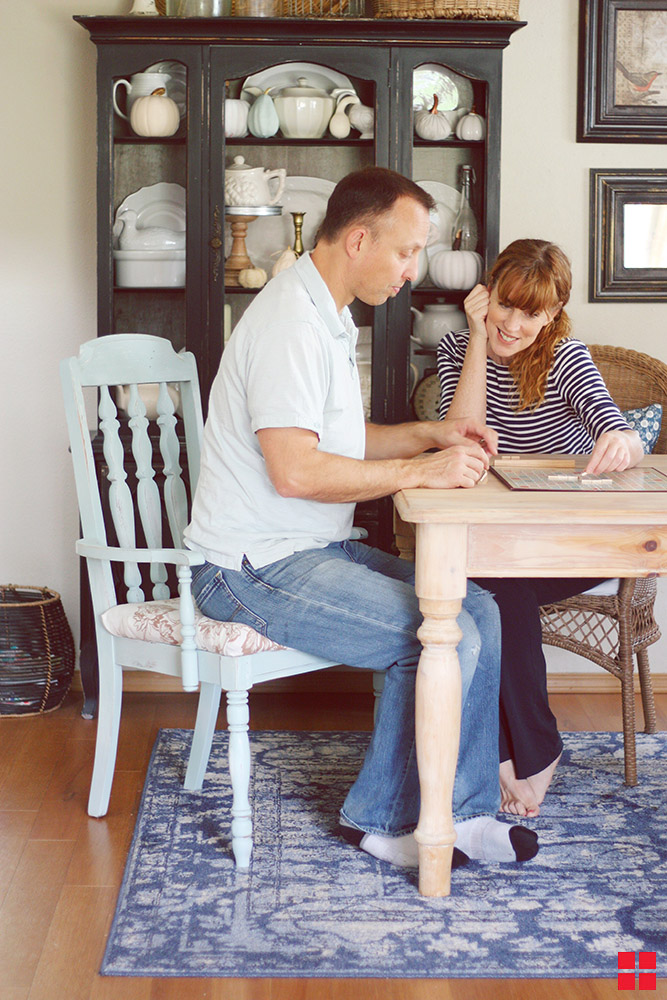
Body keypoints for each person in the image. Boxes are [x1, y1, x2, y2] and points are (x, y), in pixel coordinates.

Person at [184, 168, 539, 870]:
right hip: (247, 568)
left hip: (309, 549)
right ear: (357, 239)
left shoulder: (325, 312)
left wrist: (427, 436)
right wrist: (420, 471)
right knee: (437, 632)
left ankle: (460, 815)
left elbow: (335, 445)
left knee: (484, 612)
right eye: (406, 252)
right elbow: (296, 470)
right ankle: (378, 821)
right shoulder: (290, 323)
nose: (412, 271)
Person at [437, 238, 644, 818]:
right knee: (493, 584)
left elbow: (615, 425)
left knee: (499, 588)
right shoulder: (460, 346)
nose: (513, 323)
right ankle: (531, 749)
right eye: (505, 304)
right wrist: (477, 335)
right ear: (487, 294)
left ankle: (519, 752)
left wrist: (622, 441)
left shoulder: (566, 356)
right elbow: (462, 432)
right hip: (503, 545)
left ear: (552, 315)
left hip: (575, 542)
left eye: (531, 313)